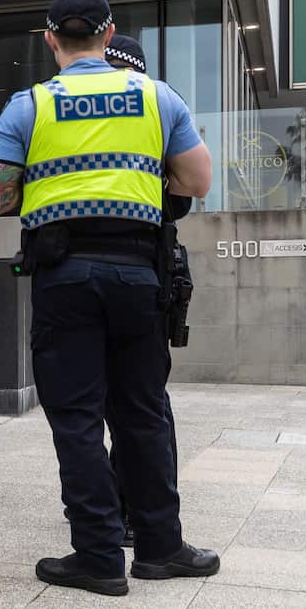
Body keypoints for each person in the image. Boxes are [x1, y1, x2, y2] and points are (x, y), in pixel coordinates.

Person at [0, 0, 219, 596]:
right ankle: (161, 547)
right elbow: (197, 180)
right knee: (142, 412)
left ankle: (99, 556)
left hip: (64, 279)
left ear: (52, 39)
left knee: (79, 419)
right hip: (141, 275)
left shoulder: (28, 106)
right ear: (110, 37)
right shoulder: (157, 97)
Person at [101, 33, 183, 549]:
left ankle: (131, 507)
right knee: (140, 403)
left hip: (138, 271)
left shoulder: (152, 115)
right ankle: (132, 508)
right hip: (142, 274)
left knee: (137, 404)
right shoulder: (157, 112)